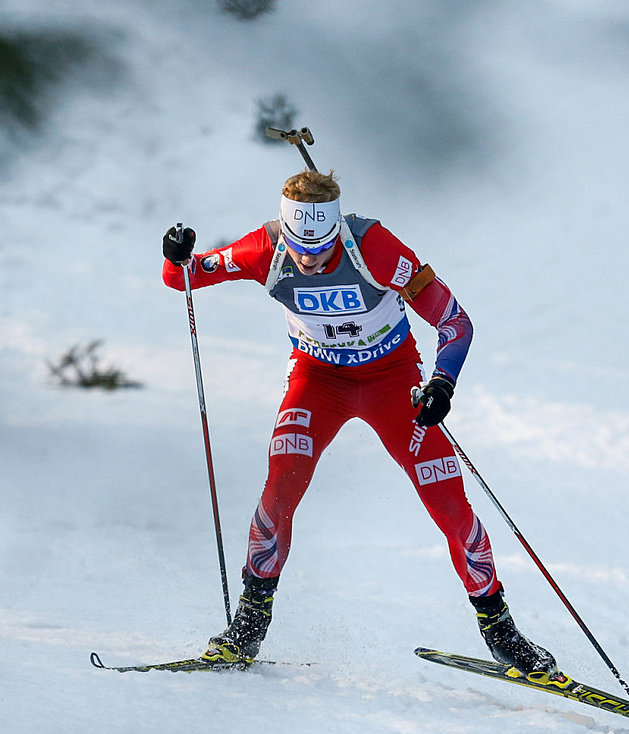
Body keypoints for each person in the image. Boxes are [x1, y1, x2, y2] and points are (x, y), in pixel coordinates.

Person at [161, 169, 557, 675]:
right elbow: (184, 277)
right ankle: (247, 627)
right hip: (317, 380)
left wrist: (442, 383)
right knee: (279, 488)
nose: (308, 259)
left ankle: (501, 632)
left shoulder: (376, 248)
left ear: (337, 231)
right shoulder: (266, 248)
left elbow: (455, 321)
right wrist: (174, 255)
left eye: (321, 248)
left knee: (452, 507)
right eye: (299, 247)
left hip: (391, 381)